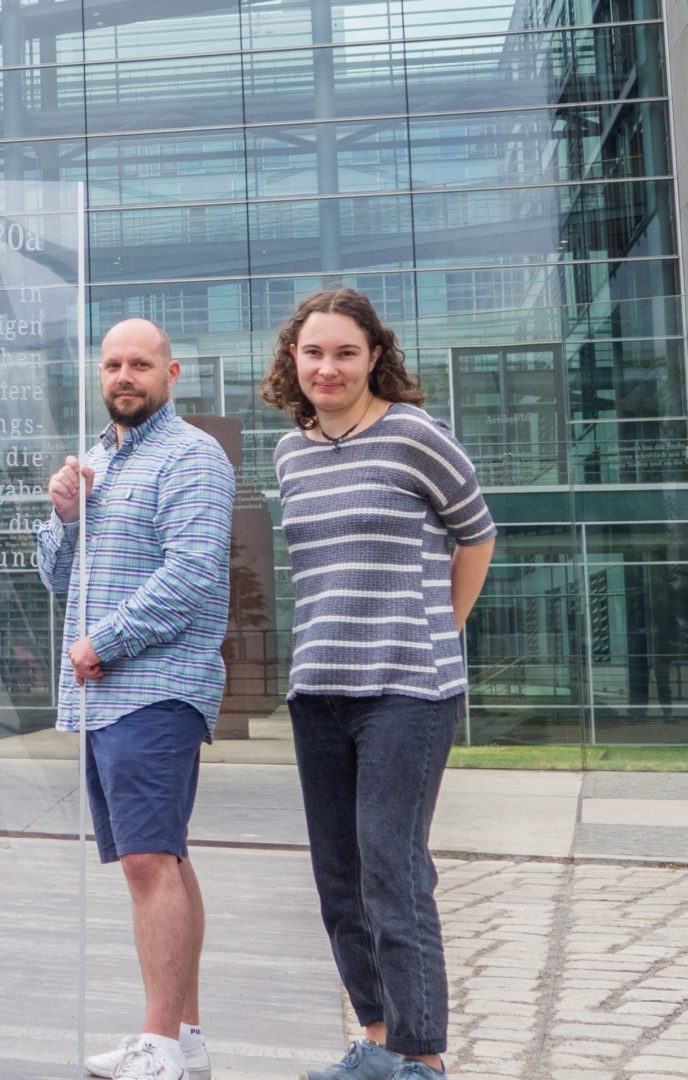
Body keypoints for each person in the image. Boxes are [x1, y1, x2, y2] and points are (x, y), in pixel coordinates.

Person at [264, 289, 495, 1080]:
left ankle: (421, 1059)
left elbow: (478, 532)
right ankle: (377, 1043)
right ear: (293, 359)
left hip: (408, 689)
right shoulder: (290, 451)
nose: (328, 367)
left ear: (374, 358)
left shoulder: (412, 435)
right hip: (318, 688)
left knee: (392, 873)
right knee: (339, 883)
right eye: (314, 352)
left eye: (346, 353)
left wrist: (444, 629)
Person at [37, 319, 234, 1080]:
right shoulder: (95, 461)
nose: (126, 375)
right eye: (114, 364)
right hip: (103, 699)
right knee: (161, 862)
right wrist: (62, 517)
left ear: (172, 373)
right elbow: (60, 580)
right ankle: (180, 1038)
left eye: (141, 364)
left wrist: (102, 642)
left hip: (153, 688)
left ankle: (157, 1040)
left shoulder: (192, 457)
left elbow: (190, 578)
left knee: (150, 862)